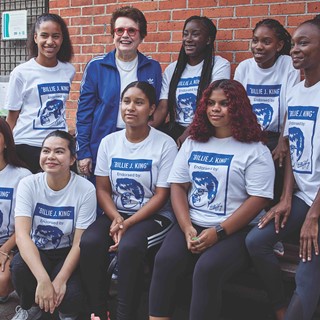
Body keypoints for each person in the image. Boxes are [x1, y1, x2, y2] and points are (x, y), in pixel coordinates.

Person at [149, 79, 275, 320]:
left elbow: (258, 199)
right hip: (194, 222)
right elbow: (178, 186)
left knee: (206, 269)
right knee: (165, 260)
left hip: (237, 230)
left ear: (238, 107)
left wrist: (219, 231)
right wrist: (186, 227)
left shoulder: (254, 149)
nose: (215, 108)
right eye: (211, 103)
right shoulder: (194, 142)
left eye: (224, 103)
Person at [80, 81, 178, 320]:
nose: (130, 108)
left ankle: (125, 314)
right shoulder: (109, 142)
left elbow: (162, 195)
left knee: (130, 247)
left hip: (154, 216)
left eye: (139, 102)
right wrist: (116, 218)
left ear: (152, 109)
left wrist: (128, 223)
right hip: (116, 213)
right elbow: (102, 189)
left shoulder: (164, 144)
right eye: (126, 102)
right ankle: (98, 311)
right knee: (90, 241)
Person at [246, 15, 320, 320]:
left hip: (318, 204)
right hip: (304, 196)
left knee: (306, 269)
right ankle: (279, 306)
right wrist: (286, 197)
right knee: (257, 241)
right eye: (294, 44)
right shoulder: (296, 88)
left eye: (304, 43)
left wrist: (314, 216)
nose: (294, 50)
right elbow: (289, 146)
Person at [10, 130, 96, 320]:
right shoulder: (28, 184)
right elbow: (22, 235)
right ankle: (29, 307)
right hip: (38, 250)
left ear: (72, 158)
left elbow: (78, 243)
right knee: (19, 267)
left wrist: (60, 280)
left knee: (70, 295)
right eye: (45, 150)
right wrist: (42, 279)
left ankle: (67, 313)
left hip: (67, 252)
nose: (50, 156)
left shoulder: (86, 189)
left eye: (59, 151)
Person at [76, 6, 162, 180]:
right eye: (119, 30)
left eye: (131, 30)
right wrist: (83, 151)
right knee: (100, 194)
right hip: (101, 142)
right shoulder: (96, 66)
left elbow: (155, 107)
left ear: (141, 35)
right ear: (113, 34)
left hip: (139, 143)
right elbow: (83, 113)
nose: (125, 35)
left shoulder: (152, 67)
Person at [234, 18, 300, 204]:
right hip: (249, 135)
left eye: (266, 41)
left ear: (279, 45)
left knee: (278, 162)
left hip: (276, 136)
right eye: (255, 40)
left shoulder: (287, 64)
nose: (258, 46)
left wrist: (282, 141)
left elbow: (291, 104)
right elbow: (237, 108)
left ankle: (275, 208)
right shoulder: (244, 68)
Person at [4, 13, 75, 174]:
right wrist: (5, 149)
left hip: (59, 145)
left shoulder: (68, 70)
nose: (50, 41)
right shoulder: (21, 73)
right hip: (27, 146)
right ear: (35, 38)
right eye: (44, 35)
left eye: (55, 36)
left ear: (62, 39)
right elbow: (11, 118)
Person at [150, 15, 230, 144]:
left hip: (206, 129)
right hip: (175, 128)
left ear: (208, 39)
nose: (188, 39)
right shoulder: (173, 69)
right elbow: (163, 107)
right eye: (185, 34)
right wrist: (144, 129)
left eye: (195, 34)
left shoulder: (220, 65)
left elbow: (212, 103)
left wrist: (188, 134)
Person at [0, 119, 31, 304]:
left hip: (9, 245)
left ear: (6, 141)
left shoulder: (22, 176)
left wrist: (4, 250)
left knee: (2, 283)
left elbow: (26, 224)